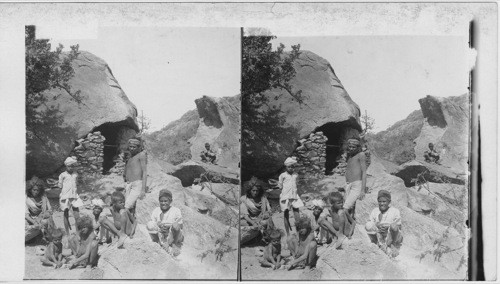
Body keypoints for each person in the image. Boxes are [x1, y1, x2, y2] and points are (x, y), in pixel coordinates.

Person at [365, 190, 403, 258]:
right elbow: (370, 222)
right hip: (380, 233)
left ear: (389, 202)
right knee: (368, 225)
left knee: (394, 226)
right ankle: (377, 243)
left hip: (391, 235)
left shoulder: (394, 211)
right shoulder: (375, 211)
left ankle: (393, 245)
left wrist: (388, 226)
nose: (382, 204)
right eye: (380, 201)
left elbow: (398, 226)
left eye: (384, 201)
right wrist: (377, 225)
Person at [147, 189, 184, 256]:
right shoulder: (156, 210)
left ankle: (174, 244)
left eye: (165, 201)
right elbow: (153, 222)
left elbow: (180, 225)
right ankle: (158, 242)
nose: (163, 203)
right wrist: (159, 224)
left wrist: (169, 226)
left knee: (176, 225)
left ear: (170, 201)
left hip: (173, 234)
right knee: (150, 224)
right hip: (161, 233)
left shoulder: (176, 210)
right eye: (161, 201)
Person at [123, 138, 147, 236]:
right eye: (130, 146)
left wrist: (143, 190)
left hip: (137, 184)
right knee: (128, 207)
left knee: (126, 207)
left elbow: (144, 172)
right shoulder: (130, 158)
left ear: (138, 147)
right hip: (128, 184)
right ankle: (128, 228)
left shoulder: (141, 155)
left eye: (134, 147)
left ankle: (134, 222)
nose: (132, 148)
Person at [278, 157, 304, 235]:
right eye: (289, 167)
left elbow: (297, 185)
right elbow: (280, 186)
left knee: (297, 215)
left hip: (294, 197)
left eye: (292, 166)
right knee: (286, 215)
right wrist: (283, 196)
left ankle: (298, 232)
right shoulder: (282, 175)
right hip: (285, 197)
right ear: (286, 167)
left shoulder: (296, 175)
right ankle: (288, 234)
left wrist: (298, 194)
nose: (291, 168)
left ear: (294, 167)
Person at [59, 156, 83, 236]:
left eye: (72, 166)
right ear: (66, 166)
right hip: (65, 197)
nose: (71, 168)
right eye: (69, 166)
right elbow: (60, 186)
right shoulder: (62, 175)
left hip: (74, 196)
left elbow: (76, 184)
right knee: (66, 214)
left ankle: (78, 232)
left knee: (77, 215)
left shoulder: (75, 174)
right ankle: (67, 233)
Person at [25, 178, 55, 243]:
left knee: (46, 221)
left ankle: (47, 237)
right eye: (34, 190)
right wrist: (34, 221)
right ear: (30, 190)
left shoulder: (43, 197)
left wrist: (42, 215)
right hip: (31, 219)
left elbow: (50, 210)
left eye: (38, 190)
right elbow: (26, 215)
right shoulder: (26, 199)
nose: (36, 192)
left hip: (42, 218)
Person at [344, 138, 367, 218]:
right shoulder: (349, 156)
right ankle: (349, 225)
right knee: (349, 207)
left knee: (345, 208)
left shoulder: (361, 155)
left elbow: (364, 172)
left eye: (353, 147)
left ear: (358, 147)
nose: (351, 148)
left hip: (356, 184)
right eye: (350, 146)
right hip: (348, 184)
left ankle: (352, 224)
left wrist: (363, 190)